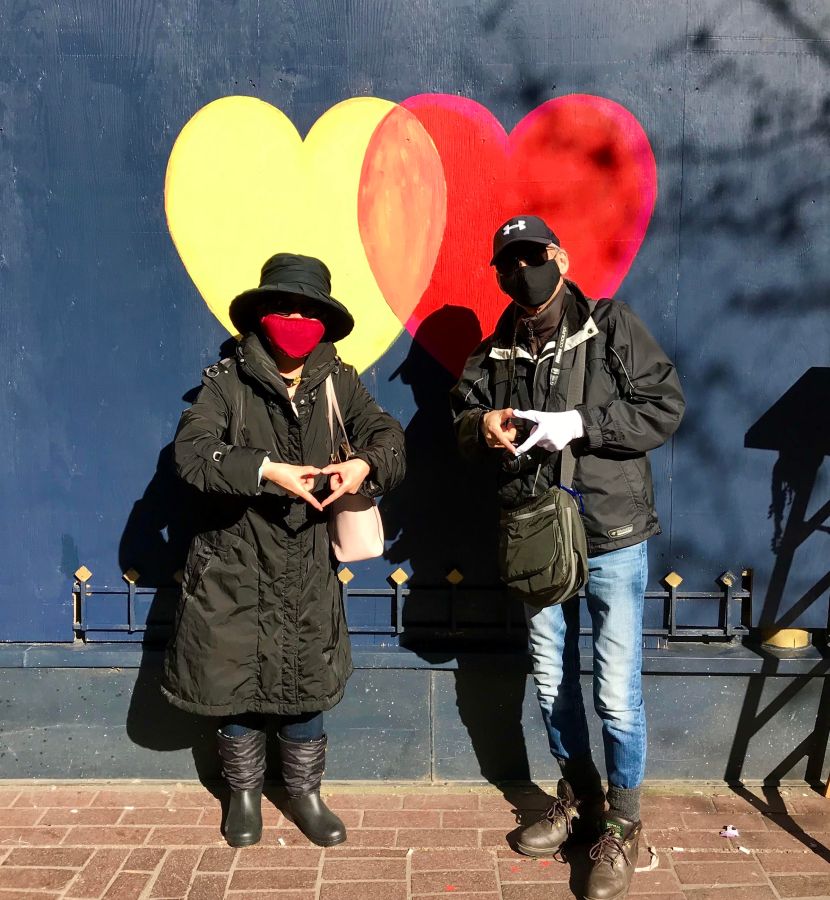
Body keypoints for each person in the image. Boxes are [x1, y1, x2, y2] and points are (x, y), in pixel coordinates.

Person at [451, 216, 684, 899]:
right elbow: (460, 419)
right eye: (509, 264)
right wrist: (481, 427)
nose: (522, 272)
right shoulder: (496, 349)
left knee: (615, 688)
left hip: (612, 530)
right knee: (552, 678)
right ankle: (581, 799)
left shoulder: (610, 326)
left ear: (560, 257)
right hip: (535, 533)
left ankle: (624, 823)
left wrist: (581, 424)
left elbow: (664, 407)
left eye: (534, 257)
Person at [161, 253, 405, 848]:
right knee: (236, 683)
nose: (295, 320)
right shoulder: (226, 381)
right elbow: (191, 452)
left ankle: (305, 795)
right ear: (261, 314)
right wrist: (267, 469)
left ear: (326, 321)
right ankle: (243, 795)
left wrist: (364, 464)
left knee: (306, 684)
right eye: (283, 307)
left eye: (308, 310)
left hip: (308, 562)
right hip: (233, 562)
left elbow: (389, 438)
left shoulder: (340, 381)